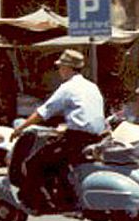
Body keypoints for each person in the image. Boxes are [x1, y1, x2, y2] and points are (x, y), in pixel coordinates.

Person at [10, 49, 107, 209]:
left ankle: (37, 203)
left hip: (77, 138)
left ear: (68, 68)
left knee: (35, 162)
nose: (59, 70)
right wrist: (66, 127)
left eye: (61, 66)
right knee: (57, 161)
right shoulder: (91, 86)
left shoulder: (67, 87)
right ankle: (63, 199)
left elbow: (43, 112)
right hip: (95, 137)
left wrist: (19, 129)